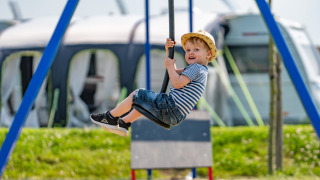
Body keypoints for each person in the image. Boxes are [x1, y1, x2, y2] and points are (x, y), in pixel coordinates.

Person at [90, 30, 217, 136]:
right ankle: (124, 123)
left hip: (171, 107)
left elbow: (177, 82)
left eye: (196, 49)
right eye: (188, 50)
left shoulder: (195, 68)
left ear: (208, 54)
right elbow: (173, 70)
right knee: (145, 104)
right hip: (176, 115)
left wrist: (169, 66)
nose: (191, 53)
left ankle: (110, 117)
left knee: (138, 94)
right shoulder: (200, 70)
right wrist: (169, 53)